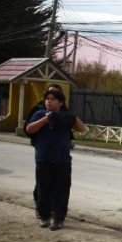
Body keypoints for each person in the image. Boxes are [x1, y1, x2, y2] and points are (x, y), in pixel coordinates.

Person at [25, 87, 86, 231]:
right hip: (43, 158)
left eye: (52, 99)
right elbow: (29, 129)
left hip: (62, 160)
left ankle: (59, 219)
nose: (49, 102)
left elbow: (82, 129)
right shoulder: (39, 113)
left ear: (60, 103)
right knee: (43, 189)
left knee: (61, 190)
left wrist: (71, 116)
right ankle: (44, 217)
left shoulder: (64, 117)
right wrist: (46, 119)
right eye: (47, 99)